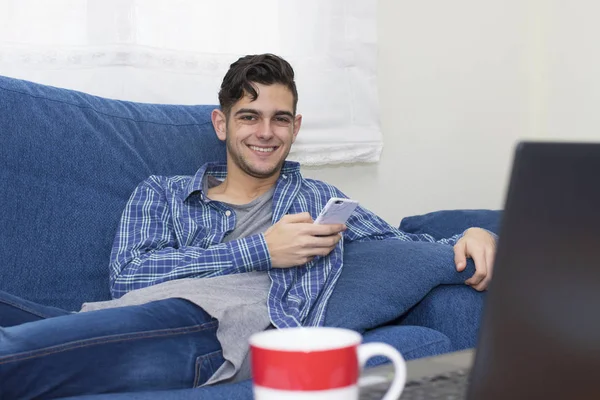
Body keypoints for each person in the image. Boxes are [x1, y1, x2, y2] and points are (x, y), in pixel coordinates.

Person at [0, 54, 496, 398]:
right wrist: (260, 249)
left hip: (209, 330)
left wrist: (469, 237)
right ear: (222, 124)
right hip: (123, 311)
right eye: (249, 116)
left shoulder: (321, 201)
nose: (265, 132)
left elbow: (398, 248)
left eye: (280, 119)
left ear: (295, 128)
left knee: (15, 359)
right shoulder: (164, 192)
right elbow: (127, 276)